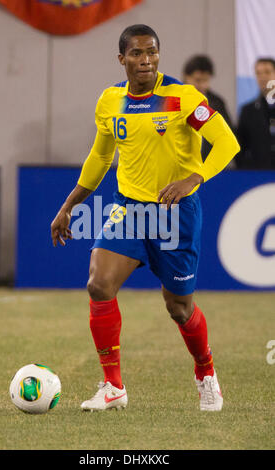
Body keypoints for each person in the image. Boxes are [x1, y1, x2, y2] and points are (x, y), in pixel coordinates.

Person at [51, 24, 240, 412]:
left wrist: (193, 177)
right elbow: (101, 157)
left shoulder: (183, 97)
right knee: (99, 283)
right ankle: (113, 386)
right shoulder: (110, 102)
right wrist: (70, 203)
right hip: (129, 208)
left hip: (176, 214)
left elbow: (227, 141)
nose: (146, 60)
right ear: (122, 59)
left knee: (179, 307)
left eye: (152, 52)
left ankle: (206, 372)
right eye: (136, 54)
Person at [183, 55, 235, 163]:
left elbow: (227, 134)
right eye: (197, 80)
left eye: (205, 80)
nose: (201, 85)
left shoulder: (218, 103)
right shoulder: (174, 100)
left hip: (210, 165)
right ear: (186, 77)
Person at [236, 57, 275, 169]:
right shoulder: (248, 111)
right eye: (258, 73)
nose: (262, 77)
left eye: (267, 72)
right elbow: (240, 146)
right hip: (258, 176)